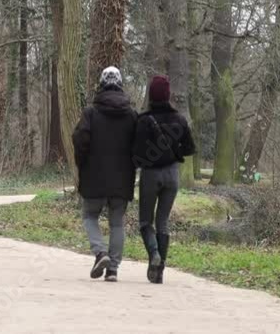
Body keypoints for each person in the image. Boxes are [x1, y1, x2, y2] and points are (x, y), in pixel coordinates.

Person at [72, 66, 137, 282]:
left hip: (94, 177)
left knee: (89, 216)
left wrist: (82, 163)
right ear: (121, 84)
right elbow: (138, 145)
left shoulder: (91, 113)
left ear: (101, 84)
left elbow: (80, 139)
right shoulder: (131, 115)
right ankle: (113, 270)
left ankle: (100, 253)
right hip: (122, 179)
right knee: (117, 223)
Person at [133, 75, 196, 284]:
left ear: (151, 95)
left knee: (145, 221)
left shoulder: (143, 120)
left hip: (151, 175)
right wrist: (174, 151)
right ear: (168, 95)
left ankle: (154, 254)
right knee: (163, 221)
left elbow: (136, 152)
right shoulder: (179, 119)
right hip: (172, 174)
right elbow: (190, 148)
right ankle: (159, 273)